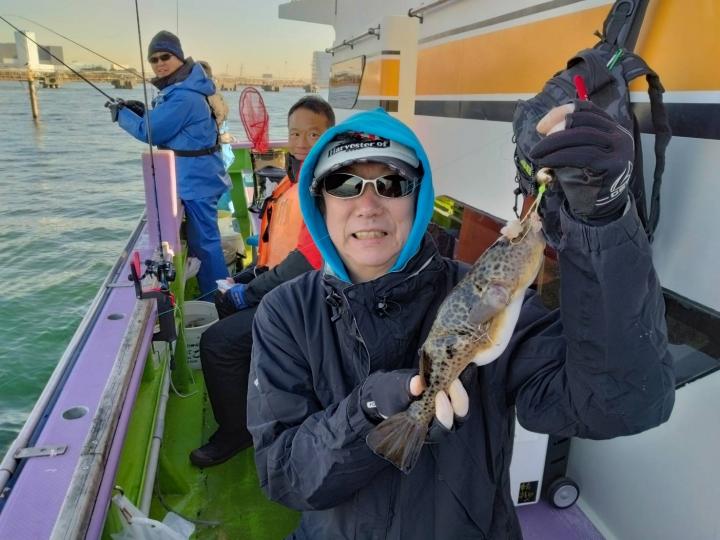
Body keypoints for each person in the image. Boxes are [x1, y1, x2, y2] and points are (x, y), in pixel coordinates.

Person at [246, 105, 676, 538]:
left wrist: (601, 226)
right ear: (319, 201)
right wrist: (366, 411)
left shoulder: (499, 306)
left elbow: (623, 404)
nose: (368, 206)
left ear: (419, 197)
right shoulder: (286, 313)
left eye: (392, 183)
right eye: (344, 183)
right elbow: (284, 475)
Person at [188, 96, 335, 468]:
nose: (301, 142)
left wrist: (252, 291)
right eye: (295, 133)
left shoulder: (325, 186)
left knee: (216, 344)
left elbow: (307, 261)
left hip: (309, 298)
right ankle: (256, 393)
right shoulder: (295, 178)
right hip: (282, 284)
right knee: (223, 300)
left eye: (313, 134)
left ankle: (236, 431)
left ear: (329, 136)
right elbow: (280, 244)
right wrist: (251, 274)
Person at [106, 31, 229, 297]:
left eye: (165, 56)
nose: (160, 63)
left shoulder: (183, 96)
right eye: (154, 59)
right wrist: (142, 111)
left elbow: (150, 132)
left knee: (207, 246)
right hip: (199, 179)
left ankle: (222, 299)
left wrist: (122, 114)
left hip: (196, 182)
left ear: (179, 58)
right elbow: (170, 126)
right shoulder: (184, 90)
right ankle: (218, 295)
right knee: (204, 243)